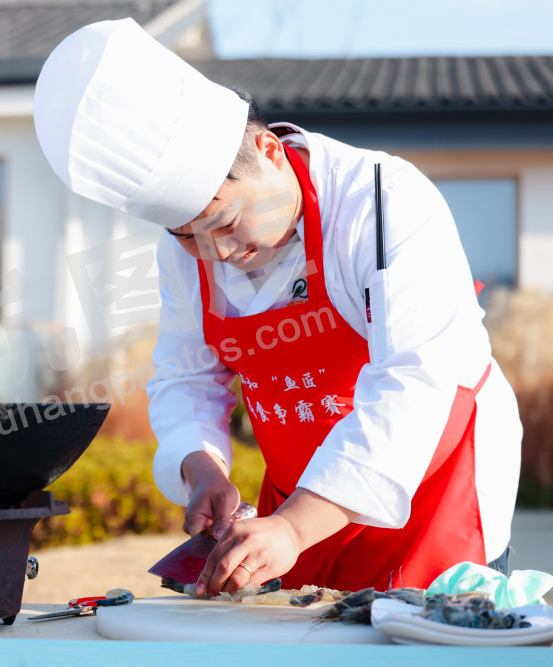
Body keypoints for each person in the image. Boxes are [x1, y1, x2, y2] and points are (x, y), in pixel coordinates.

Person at [33, 18, 522, 596]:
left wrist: (295, 526)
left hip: (432, 488)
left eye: (225, 222)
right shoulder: (187, 250)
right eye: (187, 236)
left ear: (269, 150)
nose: (215, 252)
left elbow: (412, 383)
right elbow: (186, 374)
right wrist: (202, 468)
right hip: (297, 499)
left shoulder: (381, 203)